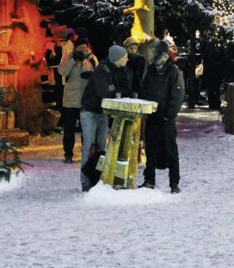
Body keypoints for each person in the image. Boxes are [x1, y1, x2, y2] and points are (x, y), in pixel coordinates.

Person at [79, 44, 131, 191]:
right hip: (90, 111)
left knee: (102, 146)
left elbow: (125, 89)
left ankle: (99, 179)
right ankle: (85, 181)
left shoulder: (121, 70)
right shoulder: (102, 69)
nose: (127, 59)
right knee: (88, 146)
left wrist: (113, 88)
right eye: (125, 57)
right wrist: (114, 90)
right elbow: (103, 92)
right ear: (117, 58)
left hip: (103, 112)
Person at [140, 39, 185, 193]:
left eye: (153, 51)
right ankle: (149, 180)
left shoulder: (173, 71)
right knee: (150, 149)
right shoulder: (151, 70)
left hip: (166, 119)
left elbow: (178, 95)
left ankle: (174, 183)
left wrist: (169, 115)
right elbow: (144, 89)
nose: (151, 54)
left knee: (171, 151)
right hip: (152, 116)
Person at [57, 28, 94, 163]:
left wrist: (87, 60)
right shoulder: (68, 57)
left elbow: (94, 74)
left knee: (86, 130)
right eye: (80, 48)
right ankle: (68, 154)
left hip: (85, 100)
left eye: (84, 48)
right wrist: (73, 59)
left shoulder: (91, 58)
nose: (82, 50)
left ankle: (86, 153)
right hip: (70, 100)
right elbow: (62, 72)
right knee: (69, 129)